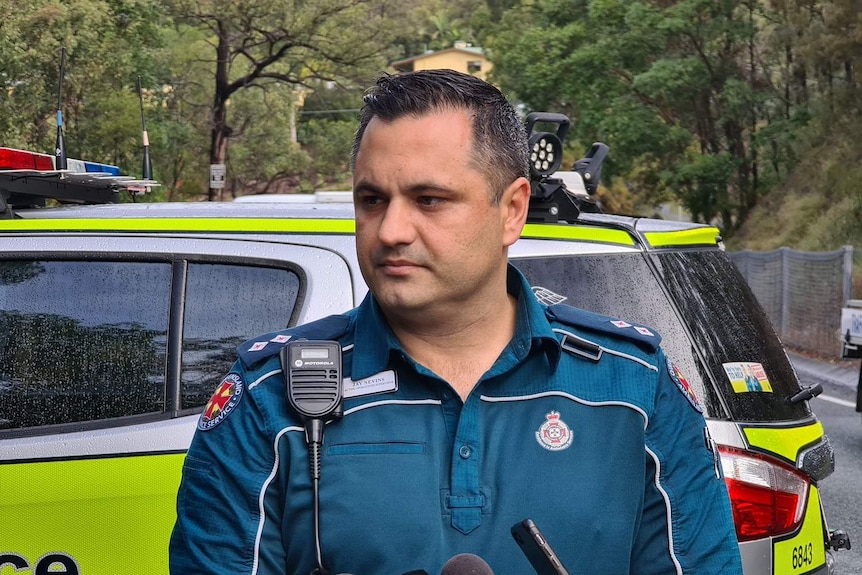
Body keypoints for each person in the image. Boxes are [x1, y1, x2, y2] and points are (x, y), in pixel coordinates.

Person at [169, 69, 743, 575]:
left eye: (429, 199)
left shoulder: (636, 389)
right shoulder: (268, 397)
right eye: (372, 200)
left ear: (512, 210)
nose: (390, 230)